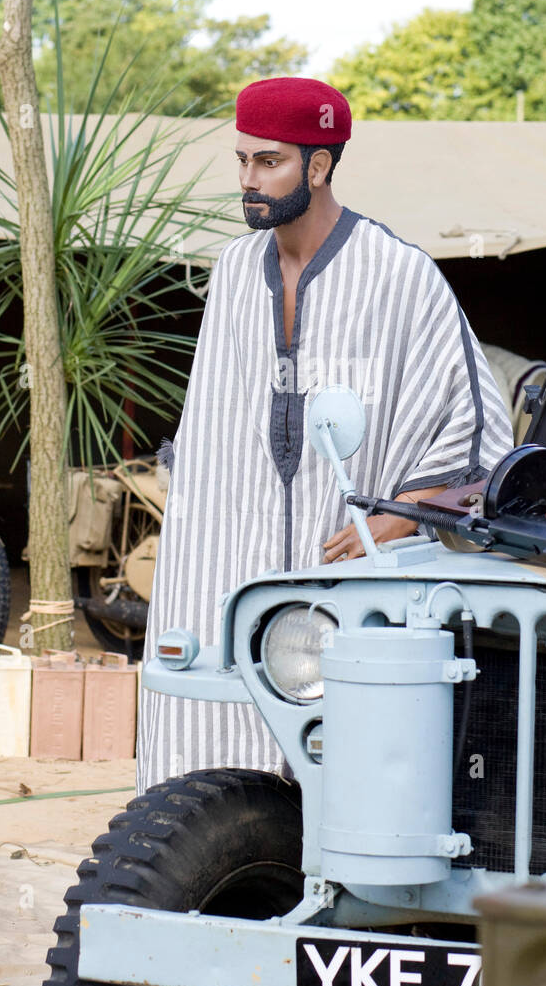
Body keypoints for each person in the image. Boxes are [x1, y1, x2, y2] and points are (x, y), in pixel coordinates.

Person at [136, 76, 513, 794]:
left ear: (318, 165)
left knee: (349, 776)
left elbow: (474, 427)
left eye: (268, 162)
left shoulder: (400, 274)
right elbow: (213, 425)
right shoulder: (232, 273)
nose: (249, 180)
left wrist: (406, 514)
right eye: (242, 160)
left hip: (347, 567)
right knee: (209, 777)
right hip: (231, 558)